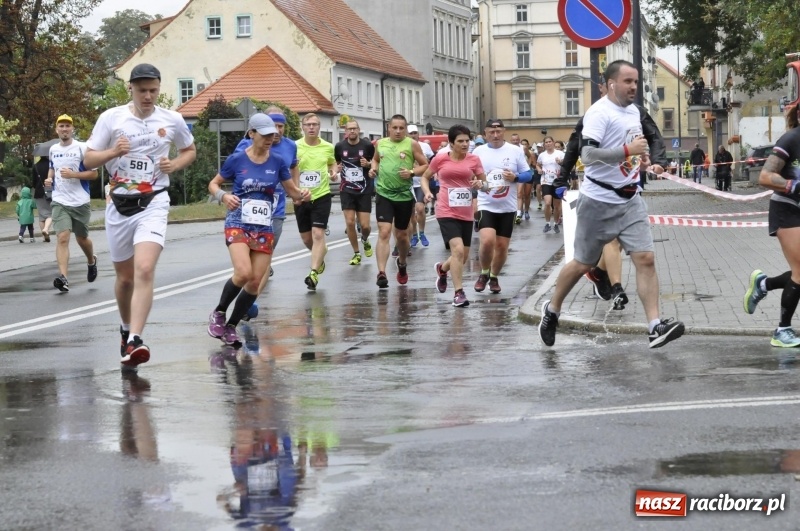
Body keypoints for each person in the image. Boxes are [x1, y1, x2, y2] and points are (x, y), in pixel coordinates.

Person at [538, 60, 684, 348]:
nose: (634, 87)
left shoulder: (633, 112)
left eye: (636, 82)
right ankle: (552, 310)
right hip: (598, 200)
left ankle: (655, 326)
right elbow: (588, 155)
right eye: (628, 82)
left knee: (646, 259)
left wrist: (644, 161)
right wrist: (628, 150)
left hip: (630, 198)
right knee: (583, 263)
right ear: (611, 84)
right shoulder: (598, 113)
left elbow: (634, 147)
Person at [84, 63, 197, 368]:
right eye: (142, 90)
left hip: (154, 200)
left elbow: (190, 150)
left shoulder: (171, 119)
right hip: (119, 203)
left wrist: (175, 164)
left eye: (153, 90)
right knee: (124, 279)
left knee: (144, 269)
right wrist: (112, 153)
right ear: (130, 89)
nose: (148, 96)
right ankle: (125, 328)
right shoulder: (111, 118)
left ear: (159, 89)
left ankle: (135, 338)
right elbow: (89, 157)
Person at [207, 114, 309, 346]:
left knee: (254, 281)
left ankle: (231, 326)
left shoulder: (278, 162)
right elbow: (214, 184)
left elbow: (293, 192)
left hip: (263, 224)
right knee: (243, 273)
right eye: (264, 134)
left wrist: (303, 195)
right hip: (238, 221)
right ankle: (219, 312)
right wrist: (224, 196)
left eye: (272, 134)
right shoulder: (236, 160)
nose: (269, 138)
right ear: (251, 134)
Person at [742, 103, 800, 347]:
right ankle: (782, 330)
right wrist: (794, 186)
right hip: (787, 208)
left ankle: (763, 284)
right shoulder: (791, 140)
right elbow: (765, 177)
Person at [421, 124, 485, 306]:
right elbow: (425, 176)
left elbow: (484, 182)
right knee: (456, 250)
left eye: (467, 141)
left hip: (465, 211)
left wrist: (480, 185)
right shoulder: (440, 159)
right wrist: (427, 192)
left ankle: (442, 269)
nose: (465, 144)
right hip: (446, 210)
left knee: (462, 257)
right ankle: (458, 293)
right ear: (451, 143)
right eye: (460, 141)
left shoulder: (474, 160)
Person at [472, 119, 532, 294]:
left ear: (504, 131)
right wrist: (475, 184)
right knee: (488, 240)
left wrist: (515, 177)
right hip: (486, 203)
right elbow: (471, 174)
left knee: (502, 246)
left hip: (507, 207)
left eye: (499, 131)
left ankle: (494, 276)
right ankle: (483, 272)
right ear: (485, 133)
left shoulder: (515, 151)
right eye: (492, 132)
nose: (495, 135)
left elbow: (529, 174)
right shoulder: (478, 151)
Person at [369, 114, 429, 288]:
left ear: (405, 129)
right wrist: (373, 169)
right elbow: (375, 159)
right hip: (384, 193)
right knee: (384, 232)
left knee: (402, 235)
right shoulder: (380, 143)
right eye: (394, 128)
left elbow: (425, 165)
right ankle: (381, 272)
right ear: (389, 128)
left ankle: (402, 263)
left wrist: (411, 172)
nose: (397, 131)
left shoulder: (411, 144)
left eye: (401, 128)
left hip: (403, 195)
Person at [47, 114, 99, 293]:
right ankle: (64, 278)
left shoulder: (82, 148)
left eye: (67, 126)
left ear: (72, 129)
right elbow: (52, 167)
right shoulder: (53, 149)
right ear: (57, 129)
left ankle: (91, 261)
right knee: (62, 237)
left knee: (82, 238)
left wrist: (74, 175)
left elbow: (94, 174)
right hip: (59, 200)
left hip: (80, 201)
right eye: (61, 126)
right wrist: (49, 178)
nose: (64, 129)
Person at [294, 113, 336, 291]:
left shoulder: (328, 147)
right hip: (301, 197)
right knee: (306, 238)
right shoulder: (294, 146)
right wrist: (295, 193)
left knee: (318, 234)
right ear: (302, 127)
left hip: (321, 196)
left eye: (315, 124)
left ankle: (313, 273)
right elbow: (289, 170)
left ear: (319, 127)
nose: (311, 127)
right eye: (308, 124)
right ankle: (319, 257)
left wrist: (333, 172)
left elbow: (332, 163)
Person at [334, 120, 375, 265]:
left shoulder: (367, 146)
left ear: (359, 130)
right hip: (347, 189)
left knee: (365, 226)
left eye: (354, 129)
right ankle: (356, 253)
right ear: (345, 131)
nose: (352, 131)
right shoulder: (339, 146)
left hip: (364, 190)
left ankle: (364, 239)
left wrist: (369, 165)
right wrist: (336, 170)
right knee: (350, 222)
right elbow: (337, 163)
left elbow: (375, 163)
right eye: (349, 129)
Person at [407, 124, 435, 248]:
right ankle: (414, 235)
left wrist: (433, 171)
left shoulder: (425, 146)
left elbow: (434, 159)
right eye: (411, 133)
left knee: (420, 209)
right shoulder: (403, 146)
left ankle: (422, 233)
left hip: (420, 182)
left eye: (415, 133)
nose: (413, 135)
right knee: (411, 213)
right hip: (407, 183)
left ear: (418, 134)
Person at [537, 136, 565, 234]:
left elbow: (567, 165)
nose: (548, 144)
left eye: (550, 142)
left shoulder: (560, 154)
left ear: (553, 143)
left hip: (558, 181)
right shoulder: (542, 155)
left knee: (557, 205)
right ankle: (547, 223)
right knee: (548, 203)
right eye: (546, 142)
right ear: (544, 144)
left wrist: (561, 162)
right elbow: (538, 164)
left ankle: (556, 224)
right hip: (546, 181)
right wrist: (539, 169)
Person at [32, 156, 53, 241]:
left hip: (38, 192)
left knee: (41, 216)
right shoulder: (51, 165)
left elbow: (34, 181)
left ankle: (45, 237)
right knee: (50, 214)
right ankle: (46, 229)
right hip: (49, 191)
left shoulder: (36, 165)